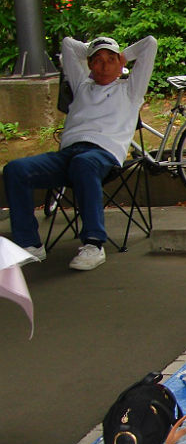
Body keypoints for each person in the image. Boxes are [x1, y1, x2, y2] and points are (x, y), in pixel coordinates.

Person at [3, 34, 157, 270]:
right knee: (16, 169)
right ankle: (29, 245)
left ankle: (94, 245)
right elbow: (67, 44)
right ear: (89, 64)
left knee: (84, 164)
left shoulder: (131, 90)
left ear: (120, 63)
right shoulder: (82, 85)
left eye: (110, 60)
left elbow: (150, 44)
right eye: (97, 60)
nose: (104, 66)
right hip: (68, 155)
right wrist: (95, 49)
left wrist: (122, 56)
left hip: (102, 155)